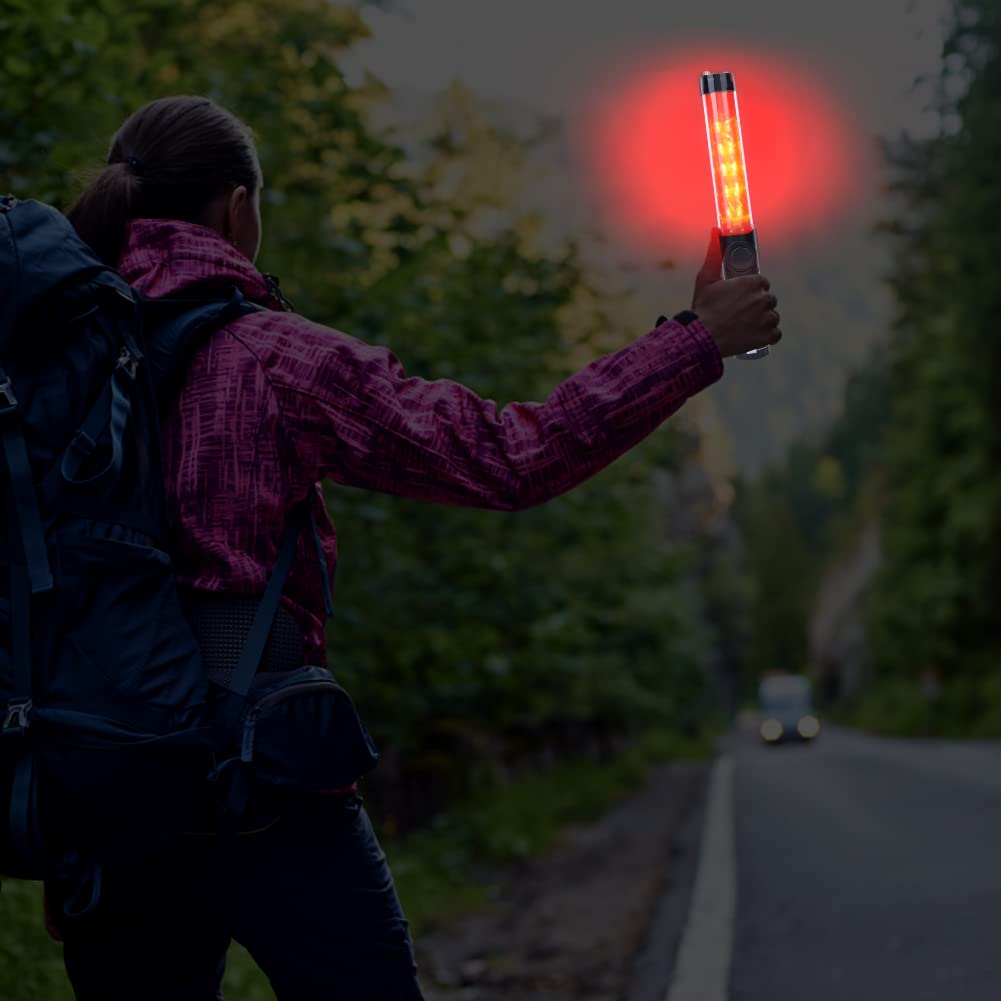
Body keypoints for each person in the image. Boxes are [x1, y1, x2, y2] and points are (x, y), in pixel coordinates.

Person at [44, 94, 781, 1000]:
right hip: (255, 770)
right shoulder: (272, 358)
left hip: (94, 776)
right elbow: (511, 456)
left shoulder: (45, 365)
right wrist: (696, 342)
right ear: (238, 208)